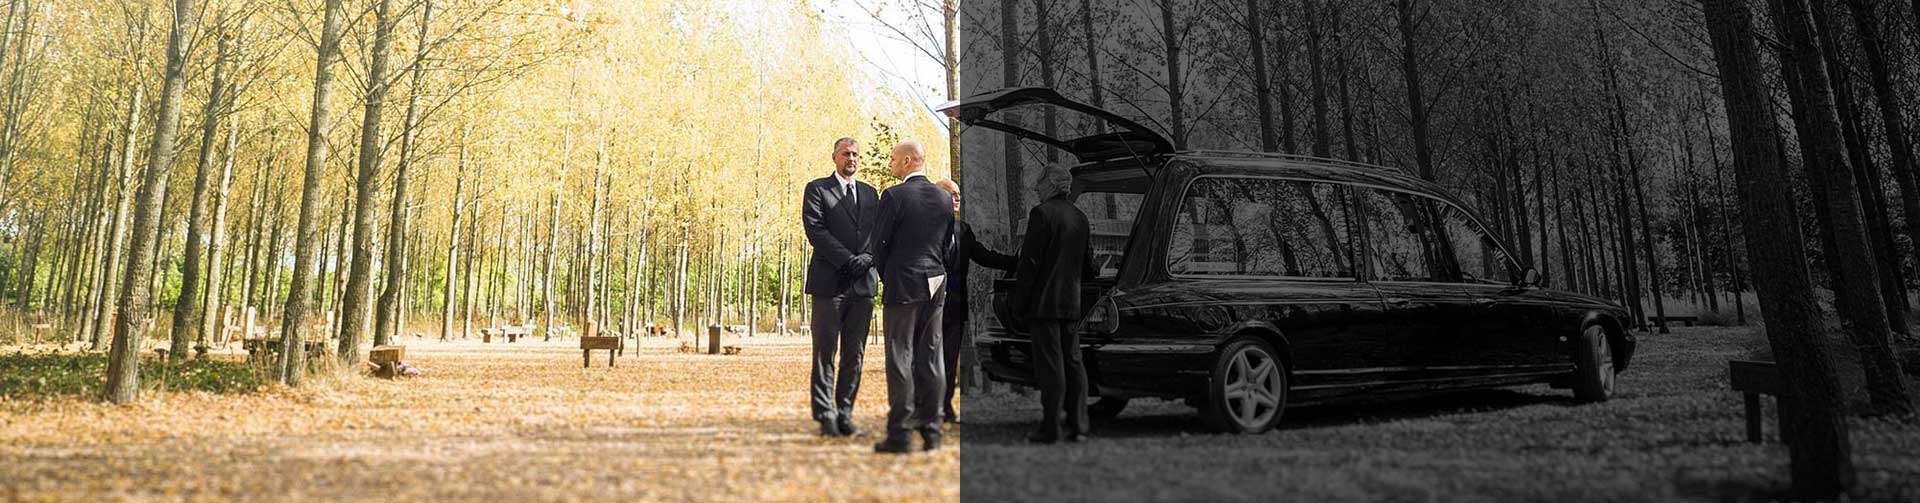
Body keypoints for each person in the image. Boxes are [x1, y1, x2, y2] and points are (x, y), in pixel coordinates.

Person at [870, 139, 955, 453]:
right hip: (936, 280)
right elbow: (947, 246)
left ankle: (900, 434)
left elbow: (878, 245)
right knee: (932, 354)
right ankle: (932, 431)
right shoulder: (944, 198)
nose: (891, 163)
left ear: (907, 161)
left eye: (893, 158)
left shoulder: (893, 196)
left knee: (900, 355)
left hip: (903, 281)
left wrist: (886, 274)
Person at [1011, 163, 1097, 444]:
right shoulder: (1080, 217)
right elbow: (1089, 267)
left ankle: (1051, 428)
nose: (1036, 188)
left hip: (1044, 304)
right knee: (1074, 362)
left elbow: (1030, 265)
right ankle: (1079, 426)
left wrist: (1019, 303)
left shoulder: (1041, 214)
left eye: (1039, 183)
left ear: (1051, 185)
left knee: (1051, 367)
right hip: (1072, 303)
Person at [801, 137, 880, 437]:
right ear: (834, 156)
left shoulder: (871, 194)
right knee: (824, 352)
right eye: (846, 154)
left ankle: (845, 412)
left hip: (863, 286)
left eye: (856, 154)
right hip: (829, 285)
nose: (852, 159)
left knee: (854, 355)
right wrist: (849, 260)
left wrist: (869, 258)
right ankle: (825, 415)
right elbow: (816, 230)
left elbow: (879, 232)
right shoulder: (817, 189)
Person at [933, 179, 1015, 424]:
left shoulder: (964, 229)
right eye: (953, 194)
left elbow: (983, 256)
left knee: (949, 360)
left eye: (959, 194)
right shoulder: (924, 227)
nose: (958, 199)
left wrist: (1015, 262)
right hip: (929, 304)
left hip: (957, 307)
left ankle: (946, 408)